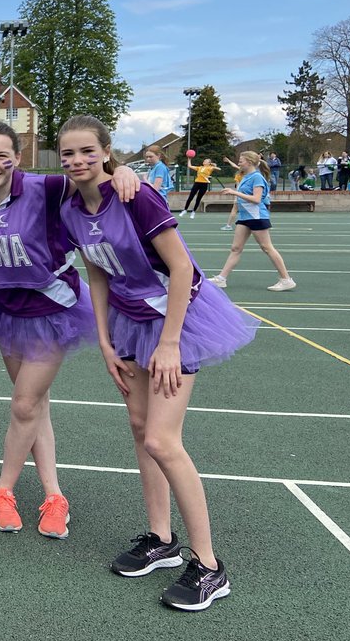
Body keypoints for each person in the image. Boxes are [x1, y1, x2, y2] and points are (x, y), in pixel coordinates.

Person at [58, 114, 256, 611]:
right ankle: (161, 538)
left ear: (107, 152)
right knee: (140, 426)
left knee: (162, 441)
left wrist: (169, 344)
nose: (77, 161)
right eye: (68, 153)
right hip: (130, 320)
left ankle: (209, 566)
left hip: (178, 320)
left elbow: (182, 265)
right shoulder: (70, 207)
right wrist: (105, 341)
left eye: (87, 151)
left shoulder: (136, 195)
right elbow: (97, 275)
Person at [0, 121, 140, 540]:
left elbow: (94, 177)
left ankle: (3, 489)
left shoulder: (48, 187)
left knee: (24, 404)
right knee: (35, 406)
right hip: (7, 310)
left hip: (52, 308)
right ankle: (54, 494)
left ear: (17, 157)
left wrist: (124, 170)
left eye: (1, 156)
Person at [209, 151, 295, 291]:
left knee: (267, 247)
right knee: (236, 248)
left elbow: (256, 199)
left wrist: (234, 192)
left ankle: (286, 279)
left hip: (257, 216)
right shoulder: (246, 176)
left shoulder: (257, 177)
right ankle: (221, 279)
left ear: (249, 162)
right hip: (245, 217)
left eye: (241, 161)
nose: (239, 163)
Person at [218, 156, 243, 231]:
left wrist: (236, 195)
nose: (238, 164)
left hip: (242, 194)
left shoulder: (243, 173)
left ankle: (229, 225)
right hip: (244, 194)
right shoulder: (242, 174)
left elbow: (238, 186)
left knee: (235, 209)